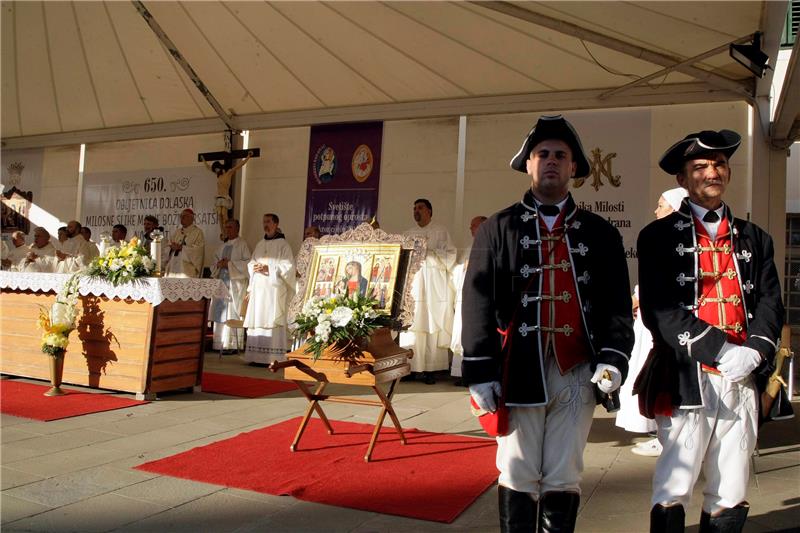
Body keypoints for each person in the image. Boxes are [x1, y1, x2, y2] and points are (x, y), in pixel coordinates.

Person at [462, 115, 634, 532]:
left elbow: (615, 304)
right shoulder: (498, 228)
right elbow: (476, 300)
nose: (551, 161)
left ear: (575, 167)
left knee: (564, 473)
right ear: (528, 164)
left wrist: (614, 356)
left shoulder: (600, 233)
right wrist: (480, 371)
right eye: (543, 154)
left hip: (576, 371)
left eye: (561, 155)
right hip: (517, 369)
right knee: (517, 470)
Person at [637, 130, 784, 532]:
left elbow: (771, 301)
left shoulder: (756, 237)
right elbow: (660, 310)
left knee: (731, 486)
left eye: (718, 164)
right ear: (683, 181)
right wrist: (721, 351)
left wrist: (755, 350)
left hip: (742, 375)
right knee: (675, 482)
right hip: (686, 374)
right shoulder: (656, 238)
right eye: (699, 166)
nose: (711, 172)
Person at [617, 187, 687, 458]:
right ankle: (660, 433)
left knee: (664, 380)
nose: (656, 210)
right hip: (650, 324)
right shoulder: (658, 238)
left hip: (665, 326)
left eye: (661, 205)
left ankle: (666, 436)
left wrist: (634, 302)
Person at [399, 198, 457, 385]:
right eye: (414, 208)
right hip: (414, 286)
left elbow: (450, 255)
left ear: (430, 211)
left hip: (433, 287)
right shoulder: (408, 234)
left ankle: (431, 369)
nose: (416, 210)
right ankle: (411, 368)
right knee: (413, 326)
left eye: (421, 208)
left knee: (430, 325)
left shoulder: (440, 231)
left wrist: (430, 252)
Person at [243, 213, 295, 365]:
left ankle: (272, 357)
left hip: (273, 292)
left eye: (268, 222)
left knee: (272, 319)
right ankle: (254, 357)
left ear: (276, 224)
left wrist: (269, 268)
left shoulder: (284, 245)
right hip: (259, 290)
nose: (265, 224)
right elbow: (251, 263)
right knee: (258, 317)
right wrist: (255, 267)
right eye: (264, 222)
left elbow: (289, 268)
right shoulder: (260, 244)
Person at [450, 215, 486, 386]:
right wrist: (462, 267)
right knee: (461, 335)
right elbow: (458, 270)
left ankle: (474, 375)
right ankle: (461, 374)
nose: (470, 229)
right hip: (464, 299)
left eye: (473, 226)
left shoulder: (490, 245)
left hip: (479, 301)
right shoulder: (469, 247)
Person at [210, 219, 251, 353]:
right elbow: (214, 263)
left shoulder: (242, 244)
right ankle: (219, 343)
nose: (228, 230)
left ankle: (232, 345)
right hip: (222, 283)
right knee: (221, 312)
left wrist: (230, 264)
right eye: (226, 227)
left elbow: (248, 264)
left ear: (237, 229)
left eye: (230, 227)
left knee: (231, 312)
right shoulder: (222, 246)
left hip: (235, 285)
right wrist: (219, 264)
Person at [202, 152, 252, 238]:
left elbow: (239, 165)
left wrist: (248, 157)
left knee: (224, 215)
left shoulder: (228, 173)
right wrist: (203, 160)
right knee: (219, 216)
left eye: (216, 169)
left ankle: (227, 231)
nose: (216, 171)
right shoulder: (218, 175)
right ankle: (223, 232)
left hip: (225, 197)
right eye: (215, 170)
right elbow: (208, 167)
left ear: (219, 167)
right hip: (218, 198)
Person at [165, 208, 205, 278]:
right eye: (181, 216)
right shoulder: (177, 232)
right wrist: (171, 247)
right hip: (173, 266)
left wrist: (181, 248)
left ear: (191, 218)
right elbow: (169, 245)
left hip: (187, 269)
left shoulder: (198, 232)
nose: (182, 218)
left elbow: (198, 251)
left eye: (185, 216)